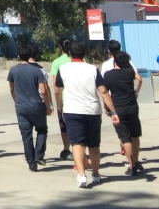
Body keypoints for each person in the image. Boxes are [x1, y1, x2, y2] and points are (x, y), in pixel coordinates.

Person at [54, 41, 119, 188]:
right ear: (84, 54)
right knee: (94, 145)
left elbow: (58, 90)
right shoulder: (92, 69)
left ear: (70, 53)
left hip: (72, 110)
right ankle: (95, 173)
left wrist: (60, 105)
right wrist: (113, 111)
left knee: (77, 143)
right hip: (92, 111)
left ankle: (81, 175)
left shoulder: (63, 69)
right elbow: (103, 92)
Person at [7, 45, 53, 171]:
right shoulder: (37, 71)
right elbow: (43, 90)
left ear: (18, 56)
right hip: (37, 106)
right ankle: (39, 154)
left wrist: (16, 100)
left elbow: (11, 88)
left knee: (26, 136)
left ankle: (31, 163)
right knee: (42, 130)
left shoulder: (13, 70)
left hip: (21, 107)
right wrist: (48, 105)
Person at [103, 51, 144, 176]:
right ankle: (136, 161)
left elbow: (105, 93)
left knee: (125, 138)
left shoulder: (108, 75)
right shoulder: (130, 72)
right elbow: (140, 79)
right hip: (132, 107)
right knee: (135, 135)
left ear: (115, 61)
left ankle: (131, 165)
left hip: (118, 108)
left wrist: (107, 108)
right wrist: (136, 92)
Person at [50, 39, 74, 160]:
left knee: (64, 125)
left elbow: (55, 86)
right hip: (77, 98)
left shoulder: (57, 62)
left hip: (64, 99)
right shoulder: (80, 60)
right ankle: (80, 148)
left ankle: (66, 149)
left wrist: (58, 103)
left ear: (61, 48)